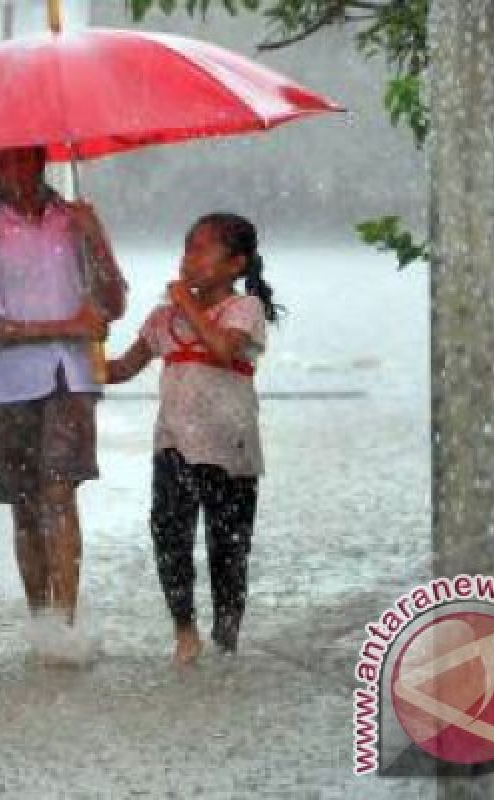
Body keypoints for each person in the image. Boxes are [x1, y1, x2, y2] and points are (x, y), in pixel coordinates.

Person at [0, 145, 126, 661]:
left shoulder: (75, 223)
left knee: (59, 496)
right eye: (5, 163)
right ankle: (41, 619)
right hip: (6, 387)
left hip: (69, 382)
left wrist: (96, 239)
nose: (19, 172)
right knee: (26, 508)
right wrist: (64, 327)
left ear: (43, 160)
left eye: (28, 159)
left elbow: (113, 303)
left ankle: (65, 625)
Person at [106, 212, 279, 666]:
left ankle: (226, 636)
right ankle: (184, 631)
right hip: (174, 445)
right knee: (170, 536)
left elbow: (224, 351)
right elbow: (121, 369)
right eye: (187, 248)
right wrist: (83, 345)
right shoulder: (162, 319)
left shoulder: (245, 310)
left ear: (236, 264)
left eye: (203, 249)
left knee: (229, 548)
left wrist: (186, 303)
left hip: (229, 449)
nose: (190, 258)